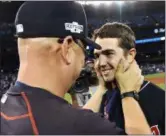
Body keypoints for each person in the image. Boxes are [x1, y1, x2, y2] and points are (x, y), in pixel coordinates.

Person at [0, 2, 151, 135]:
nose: (85, 59)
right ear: (67, 48)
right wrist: (128, 94)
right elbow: (75, 122)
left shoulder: (7, 108)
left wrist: (100, 90)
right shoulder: (80, 125)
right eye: (84, 48)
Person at [83, 22, 165, 135]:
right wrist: (101, 89)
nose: (100, 63)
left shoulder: (160, 99)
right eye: (97, 56)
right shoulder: (101, 100)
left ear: (130, 55)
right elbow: (76, 130)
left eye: (109, 54)